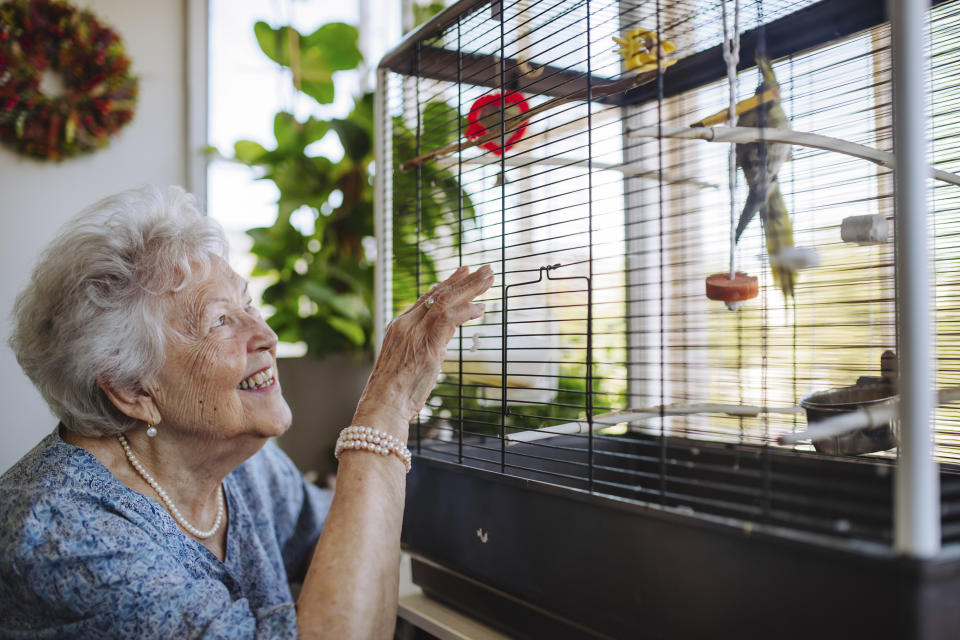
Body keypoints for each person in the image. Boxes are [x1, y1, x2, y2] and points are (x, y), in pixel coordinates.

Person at [0, 185, 493, 638]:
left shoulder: (244, 467)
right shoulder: (63, 533)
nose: (267, 337)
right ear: (132, 389)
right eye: (220, 322)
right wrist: (385, 409)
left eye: (249, 306)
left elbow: (334, 533)